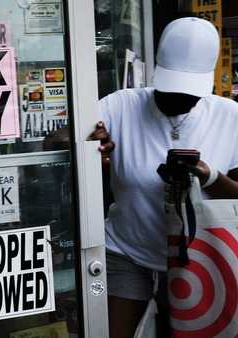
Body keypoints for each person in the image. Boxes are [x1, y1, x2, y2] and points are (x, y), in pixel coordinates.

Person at [90, 17, 238, 338]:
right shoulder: (119, 106)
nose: (179, 100)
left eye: (190, 94)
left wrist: (209, 176)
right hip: (126, 250)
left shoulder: (230, 115)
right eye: (172, 90)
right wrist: (89, 146)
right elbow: (62, 140)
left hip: (200, 254)